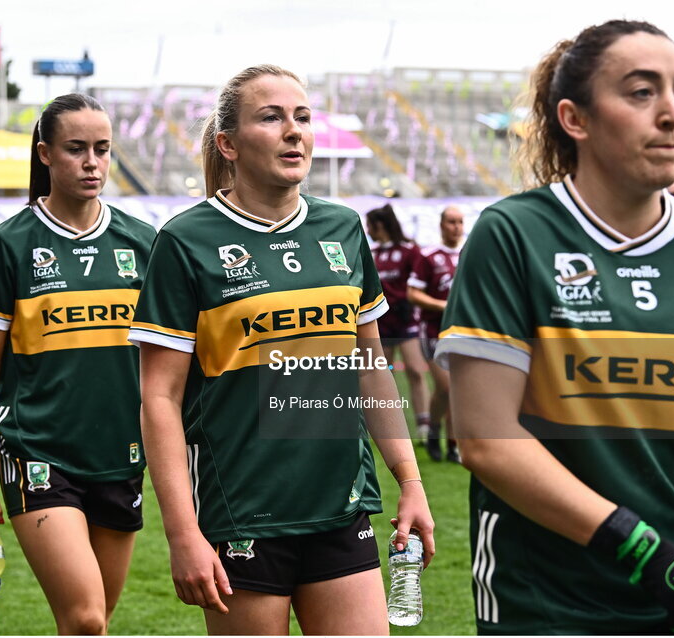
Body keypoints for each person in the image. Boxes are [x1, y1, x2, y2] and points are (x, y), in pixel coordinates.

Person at [437, 20, 674, 634]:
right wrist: (639, 547)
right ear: (575, 119)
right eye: (641, 92)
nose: (672, 114)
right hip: (548, 599)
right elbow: (486, 438)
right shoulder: (513, 234)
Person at [130, 64, 435, 635]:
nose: (294, 131)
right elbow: (160, 396)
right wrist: (182, 535)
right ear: (229, 143)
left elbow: (370, 369)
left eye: (302, 117)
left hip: (343, 507)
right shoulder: (185, 241)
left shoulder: (342, 228)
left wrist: (410, 483)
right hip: (242, 512)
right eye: (271, 117)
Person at [0, 93, 155, 635]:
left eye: (102, 150)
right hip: (38, 450)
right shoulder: (10, 243)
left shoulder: (142, 244)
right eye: (76, 149)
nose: (92, 163)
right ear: (44, 154)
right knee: (87, 618)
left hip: (121, 453)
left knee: (90, 623)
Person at [365, 203, 433, 442]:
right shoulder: (371, 253)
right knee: (383, 375)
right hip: (380, 325)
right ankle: (388, 429)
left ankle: (423, 426)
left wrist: (406, 301)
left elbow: (417, 281)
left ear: (379, 225)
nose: (368, 230)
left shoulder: (409, 251)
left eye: (370, 225)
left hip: (405, 323)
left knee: (415, 370)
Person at [407, 205, 464, 463]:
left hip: (463, 331)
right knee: (446, 386)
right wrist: (443, 305)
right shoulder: (429, 255)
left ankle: (453, 445)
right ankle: (433, 430)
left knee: (458, 390)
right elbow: (413, 293)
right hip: (433, 330)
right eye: (451, 222)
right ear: (441, 225)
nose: (456, 227)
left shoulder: (469, 254)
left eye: (460, 222)